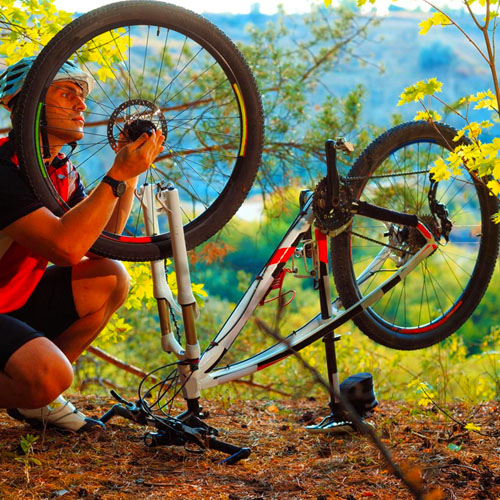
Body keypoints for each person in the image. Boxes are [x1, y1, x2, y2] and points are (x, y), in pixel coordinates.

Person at [0, 56, 164, 432]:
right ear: (27, 105)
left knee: (109, 277)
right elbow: (66, 249)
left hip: (9, 305)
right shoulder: (3, 168)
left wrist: (128, 173)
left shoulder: (59, 170)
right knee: (49, 375)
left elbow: (101, 242)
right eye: (67, 93)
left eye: (82, 96)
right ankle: (38, 388)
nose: (81, 105)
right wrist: (117, 173)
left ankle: (36, 403)